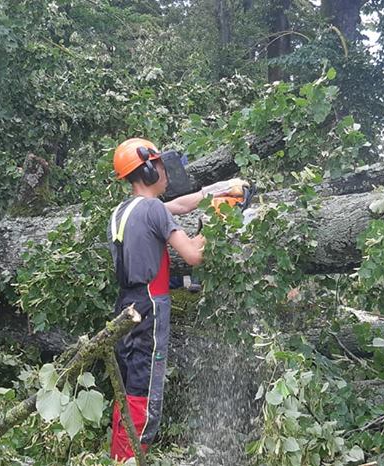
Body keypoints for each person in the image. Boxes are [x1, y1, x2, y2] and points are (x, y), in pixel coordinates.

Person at [107, 137, 244, 461]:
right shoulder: (152, 208)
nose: (166, 171)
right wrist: (219, 220)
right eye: (159, 165)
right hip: (150, 306)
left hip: (125, 307)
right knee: (145, 391)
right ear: (149, 170)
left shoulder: (124, 210)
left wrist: (216, 191)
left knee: (127, 389)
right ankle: (130, 460)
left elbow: (179, 206)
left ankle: (117, 456)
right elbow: (194, 255)